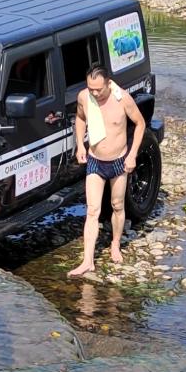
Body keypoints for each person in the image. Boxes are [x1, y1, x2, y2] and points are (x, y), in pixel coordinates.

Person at [68, 63, 145, 277]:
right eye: (91, 88)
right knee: (92, 211)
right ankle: (88, 261)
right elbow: (80, 118)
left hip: (119, 161)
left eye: (98, 89)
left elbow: (140, 124)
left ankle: (115, 244)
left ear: (108, 84)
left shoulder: (123, 100)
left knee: (117, 205)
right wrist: (80, 145)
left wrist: (132, 155)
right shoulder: (85, 97)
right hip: (95, 160)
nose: (95, 93)